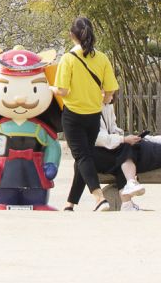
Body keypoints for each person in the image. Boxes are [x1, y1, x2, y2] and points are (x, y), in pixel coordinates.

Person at [51, 16, 119, 212]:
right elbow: (110, 92)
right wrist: (100, 101)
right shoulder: (102, 58)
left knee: (82, 157)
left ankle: (99, 198)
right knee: (84, 157)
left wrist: (51, 88)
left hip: (73, 115)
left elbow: (63, 91)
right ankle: (70, 203)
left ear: (71, 35)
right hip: (93, 116)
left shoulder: (67, 59)